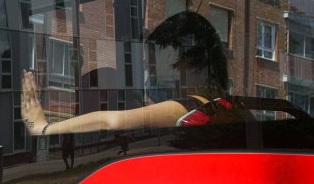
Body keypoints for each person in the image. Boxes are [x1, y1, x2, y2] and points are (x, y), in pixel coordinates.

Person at [22, 11, 231, 137]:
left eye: (153, 62)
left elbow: (111, 122)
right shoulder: (229, 108)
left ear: (182, 60)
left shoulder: (190, 107)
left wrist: (41, 127)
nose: (150, 71)